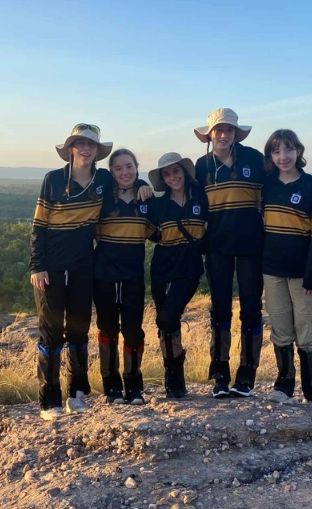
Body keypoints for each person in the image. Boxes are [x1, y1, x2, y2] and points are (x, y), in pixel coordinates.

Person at [193, 107, 312, 399]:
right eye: (218, 130)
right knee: (219, 311)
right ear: (209, 134)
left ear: (235, 133)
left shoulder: (254, 159)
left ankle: (246, 377)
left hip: (253, 248)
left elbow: (288, 175)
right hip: (217, 247)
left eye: (228, 129)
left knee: (251, 311)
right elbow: (184, 195)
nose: (223, 134)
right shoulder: (201, 165)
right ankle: (219, 375)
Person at [30, 124, 151, 421]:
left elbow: (129, 179)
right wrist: (37, 265)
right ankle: (49, 399)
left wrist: (145, 182)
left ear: (97, 151)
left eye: (91, 145)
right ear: (70, 148)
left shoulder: (103, 179)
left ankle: (76, 393)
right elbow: (39, 225)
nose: (86, 149)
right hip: (52, 268)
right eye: (80, 143)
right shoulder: (54, 180)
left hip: (85, 266)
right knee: (51, 333)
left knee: (79, 330)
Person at [261, 129, 312, 410]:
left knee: (305, 331)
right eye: (276, 151)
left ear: (298, 151)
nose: (282, 156)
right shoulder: (266, 186)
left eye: (288, 150)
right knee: (280, 329)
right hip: (272, 270)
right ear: (271, 155)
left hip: (302, 273)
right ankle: (284, 385)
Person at [93, 148, 155, 405]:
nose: (124, 172)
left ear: (136, 168)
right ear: (111, 173)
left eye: (129, 167)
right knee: (107, 329)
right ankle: (111, 387)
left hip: (132, 276)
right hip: (104, 274)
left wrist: (145, 185)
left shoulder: (146, 199)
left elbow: (157, 231)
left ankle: (134, 386)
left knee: (133, 331)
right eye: (118, 168)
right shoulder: (103, 198)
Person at [148, 153, 208, 399]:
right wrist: (141, 186)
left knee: (168, 316)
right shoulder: (158, 205)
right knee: (165, 323)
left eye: (176, 171)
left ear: (184, 171)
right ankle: (174, 380)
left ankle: (175, 372)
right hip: (162, 264)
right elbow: (150, 232)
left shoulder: (201, 198)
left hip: (189, 266)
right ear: (163, 178)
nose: (173, 177)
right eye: (167, 174)